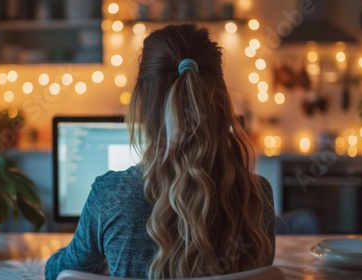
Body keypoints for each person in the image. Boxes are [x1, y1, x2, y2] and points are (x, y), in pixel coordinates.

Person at [45, 24, 276, 280]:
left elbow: (58, 273)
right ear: (221, 100)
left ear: (142, 101)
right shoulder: (257, 196)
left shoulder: (111, 196)